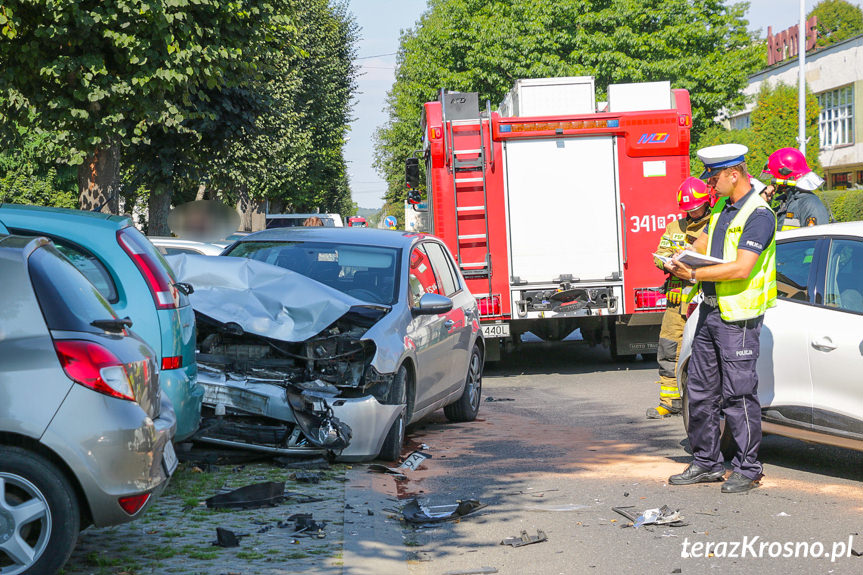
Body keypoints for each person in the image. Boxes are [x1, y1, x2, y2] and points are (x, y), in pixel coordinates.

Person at [666, 143, 777, 494]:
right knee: (699, 391)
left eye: (714, 178)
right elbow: (700, 244)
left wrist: (694, 275)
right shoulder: (722, 210)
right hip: (712, 312)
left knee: (738, 395)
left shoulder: (759, 215)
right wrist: (676, 256)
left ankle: (748, 467)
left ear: (735, 173)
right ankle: (706, 463)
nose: (709, 186)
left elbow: (744, 267)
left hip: (739, 319)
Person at [646, 177, 713, 419]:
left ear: (707, 203)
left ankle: (701, 405)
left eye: (696, 208)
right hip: (676, 303)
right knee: (668, 349)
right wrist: (669, 259)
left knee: (705, 354)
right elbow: (659, 254)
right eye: (688, 210)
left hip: (704, 300)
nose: (692, 214)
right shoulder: (676, 226)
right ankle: (670, 401)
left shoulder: (714, 225)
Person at [761, 147, 831, 230]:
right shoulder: (786, 203)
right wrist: (763, 202)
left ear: (784, 176)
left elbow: (817, 240)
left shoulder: (810, 204)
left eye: (774, 176)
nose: (772, 182)